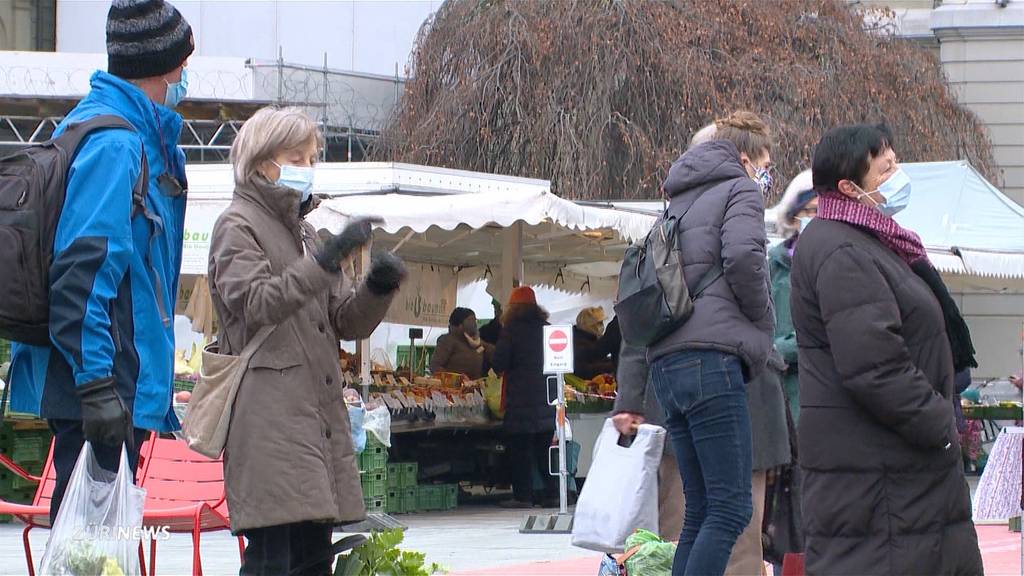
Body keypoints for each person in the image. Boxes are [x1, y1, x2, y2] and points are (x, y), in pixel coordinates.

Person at [7, 0, 193, 523]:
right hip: (100, 382)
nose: (185, 75)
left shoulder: (121, 132)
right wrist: (96, 387)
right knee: (90, 551)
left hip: (104, 379)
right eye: (183, 62)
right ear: (163, 65)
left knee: (97, 547)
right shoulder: (116, 143)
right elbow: (81, 273)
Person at [208, 106, 405, 575]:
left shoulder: (305, 233)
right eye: (296, 157)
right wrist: (324, 262)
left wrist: (377, 287)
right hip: (269, 420)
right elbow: (256, 303)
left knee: (313, 558)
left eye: (312, 157)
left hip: (314, 422)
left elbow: (344, 320)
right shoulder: (236, 226)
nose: (307, 168)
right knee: (274, 559)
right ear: (261, 163)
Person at [790, 123, 982, 575]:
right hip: (880, 474)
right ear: (848, 187)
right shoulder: (843, 249)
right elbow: (875, 366)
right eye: (886, 167)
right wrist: (939, 425)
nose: (898, 173)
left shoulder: (871, 240)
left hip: (889, 472)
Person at [646, 111, 774, 576]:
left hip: (669, 360)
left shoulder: (678, 197)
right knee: (731, 508)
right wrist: (762, 321)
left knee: (700, 507)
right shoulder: (740, 188)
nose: (765, 178)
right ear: (744, 158)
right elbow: (743, 257)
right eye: (765, 167)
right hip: (712, 360)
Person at [491, 286, 557, 509]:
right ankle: (552, 494)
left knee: (520, 452)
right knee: (544, 452)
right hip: (547, 398)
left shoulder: (511, 331)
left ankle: (523, 496)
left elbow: (499, 363)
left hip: (520, 400)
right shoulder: (548, 330)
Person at [770, 169, 817, 424]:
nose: (814, 218)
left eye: (821, 210)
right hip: (774, 390)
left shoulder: (832, 263)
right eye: (809, 210)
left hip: (812, 392)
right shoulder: (773, 263)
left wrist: (783, 350)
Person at [430, 307, 492, 380]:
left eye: (475, 320)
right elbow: (435, 365)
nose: (474, 323)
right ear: (460, 325)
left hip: (474, 387)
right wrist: (454, 379)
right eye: (470, 320)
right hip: (453, 388)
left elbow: (494, 354)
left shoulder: (478, 342)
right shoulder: (448, 340)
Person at [572, 307, 615, 379]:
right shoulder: (579, 344)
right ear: (590, 325)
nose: (602, 326)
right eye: (599, 323)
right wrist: (613, 365)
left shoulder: (589, 339)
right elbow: (585, 370)